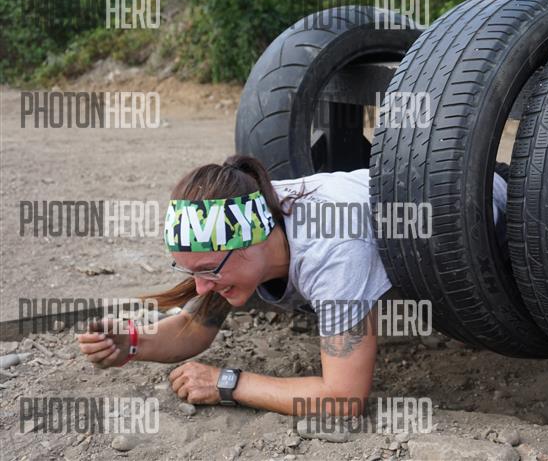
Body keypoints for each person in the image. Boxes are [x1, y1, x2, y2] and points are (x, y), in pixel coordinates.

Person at [76, 155, 391, 416]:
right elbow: (193, 327)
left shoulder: (333, 253)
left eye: (208, 270)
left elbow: (342, 398)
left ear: (254, 241)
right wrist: (133, 343)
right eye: (191, 271)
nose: (201, 288)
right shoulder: (250, 212)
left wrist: (226, 384)